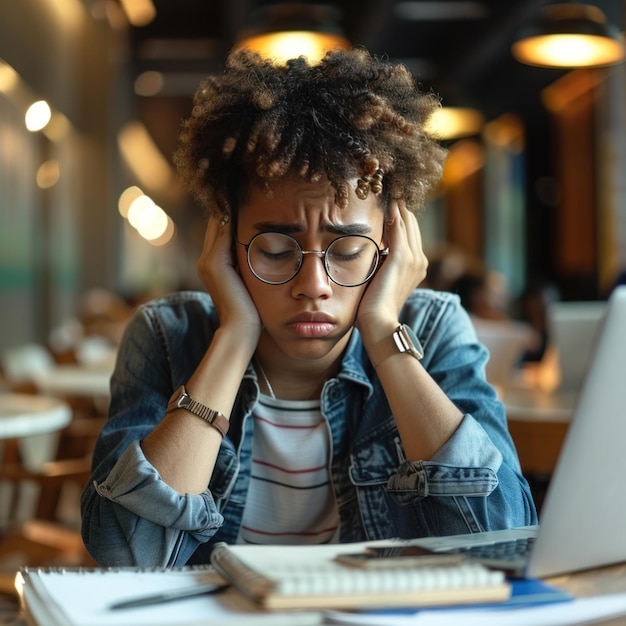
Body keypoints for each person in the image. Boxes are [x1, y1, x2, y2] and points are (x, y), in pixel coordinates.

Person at [81, 48, 537, 568]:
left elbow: (505, 541)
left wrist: (385, 334)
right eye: (275, 251)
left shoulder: (433, 330)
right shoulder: (167, 335)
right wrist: (234, 336)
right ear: (227, 243)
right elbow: (124, 554)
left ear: (393, 244)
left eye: (347, 252)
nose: (313, 285)